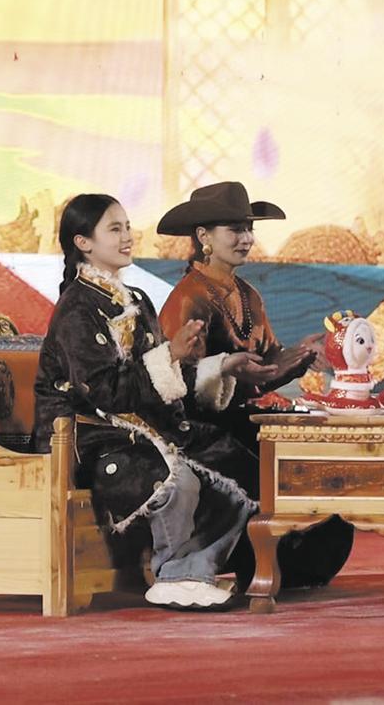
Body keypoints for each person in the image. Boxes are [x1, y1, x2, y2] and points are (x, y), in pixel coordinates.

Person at [33, 193, 269, 610]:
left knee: (233, 462)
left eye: (127, 227)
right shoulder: (76, 309)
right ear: (83, 243)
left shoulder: (137, 300)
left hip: (141, 429)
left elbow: (162, 375)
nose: (127, 237)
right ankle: (174, 574)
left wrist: (221, 366)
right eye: (115, 229)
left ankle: (196, 571)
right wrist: (171, 354)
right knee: (179, 478)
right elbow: (103, 391)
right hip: (88, 438)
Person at [156, 181, 354, 589]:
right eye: (235, 229)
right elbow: (178, 382)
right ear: (203, 236)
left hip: (247, 419)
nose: (246, 238)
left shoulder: (249, 295)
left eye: (249, 229)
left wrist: (299, 356)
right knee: (262, 468)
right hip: (199, 429)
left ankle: (297, 563)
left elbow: (265, 366)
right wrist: (233, 370)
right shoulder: (188, 298)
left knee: (313, 461)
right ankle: (258, 563)